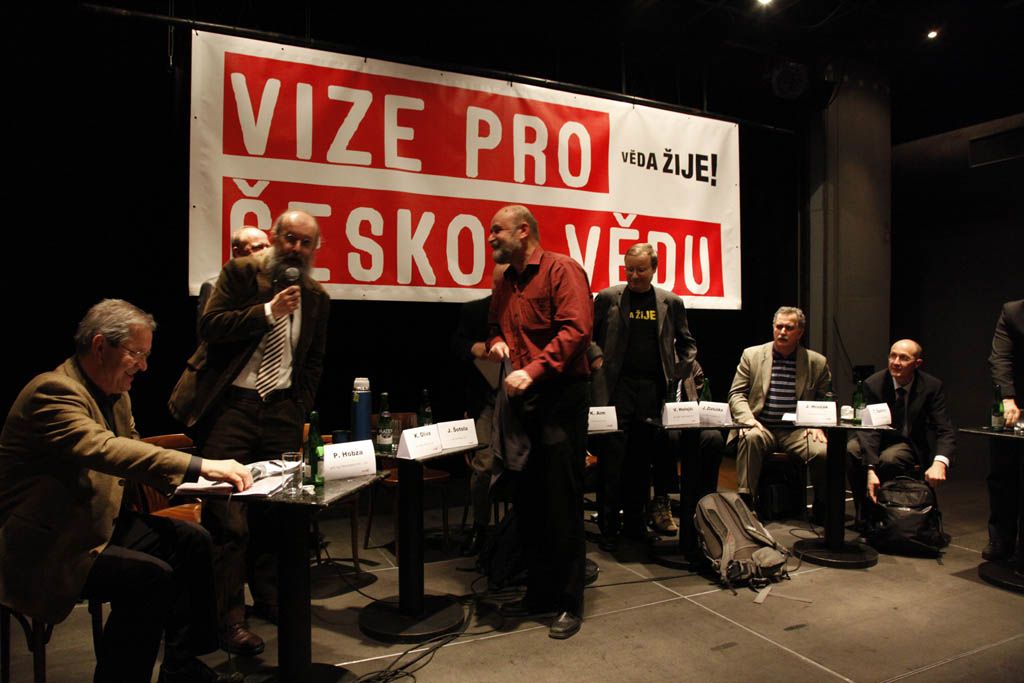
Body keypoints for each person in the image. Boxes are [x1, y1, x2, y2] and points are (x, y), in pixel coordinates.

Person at [0, 299, 253, 683]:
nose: (144, 366)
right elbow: (106, 450)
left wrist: (202, 485)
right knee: (150, 579)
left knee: (193, 541)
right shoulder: (52, 392)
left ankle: (181, 667)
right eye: (137, 354)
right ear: (101, 346)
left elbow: (135, 454)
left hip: (96, 524)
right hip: (49, 544)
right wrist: (201, 464)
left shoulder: (116, 394)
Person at [169, 209, 329, 655]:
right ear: (275, 238)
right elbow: (210, 326)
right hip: (233, 408)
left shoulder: (317, 296)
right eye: (289, 238)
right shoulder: (241, 274)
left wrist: (298, 407)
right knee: (228, 518)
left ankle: (270, 598)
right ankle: (229, 619)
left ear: (315, 249)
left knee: (275, 514)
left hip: (280, 410)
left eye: (306, 242)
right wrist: (268, 312)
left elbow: (313, 360)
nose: (296, 248)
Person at [486, 204, 592, 639]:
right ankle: (539, 592)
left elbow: (576, 330)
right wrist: (496, 342)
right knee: (528, 502)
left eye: (497, 230)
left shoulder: (561, 270)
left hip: (559, 397)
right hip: (521, 399)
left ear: (523, 231)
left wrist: (533, 370)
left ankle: (569, 602)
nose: (491, 238)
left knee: (562, 501)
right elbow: (494, 326)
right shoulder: (503, 281)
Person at [592, 243, 697, 542]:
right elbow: (588, 335)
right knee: (612, 459)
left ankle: (635, 526)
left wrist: (679, 370)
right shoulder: (608, 298)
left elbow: (687, 344)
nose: (634, 275)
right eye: (629, 270)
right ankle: (608, 527)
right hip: (615, 389)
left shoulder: (670, 302)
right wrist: (595, 359)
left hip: (651, 389)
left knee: (640, 459)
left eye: (641, 270)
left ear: (654, 269)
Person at [728, 306, 830, 512]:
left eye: (789, 328)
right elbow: (736, 394)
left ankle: (823, 505)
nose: (782, 332)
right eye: (779, 326)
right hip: (761, 426)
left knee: (822, 451)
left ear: (800, 333)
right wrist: (747, 419)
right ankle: (746, 502)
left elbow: (827, 398)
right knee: (749, 437)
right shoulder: (752, 355)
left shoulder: (816, 362)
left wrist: (818, 424)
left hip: (798, 431)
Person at [847, 340, 956, 509]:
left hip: (909, 442)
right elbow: (869, 429)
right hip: (878, 436)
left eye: (904, 358)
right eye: (893, 356)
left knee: (890, 458)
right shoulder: (874, 384)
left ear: (917, 363)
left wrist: (940, 462)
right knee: (852, 449)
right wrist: (870, 468)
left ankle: (890, 513)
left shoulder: (931, 386)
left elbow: (945, 429)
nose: (896, 362)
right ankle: (864, 513)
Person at [450, 293, 498, 556]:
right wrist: (473, 347)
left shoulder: (528, 307)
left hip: (521, 398)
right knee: (484, 464)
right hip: (487, 398)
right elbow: (456, 344)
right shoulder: (475, 310)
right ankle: (480, 526)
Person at [985, 299, 1024, 563]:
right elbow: (1000, 357)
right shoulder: (1014, 311)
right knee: (1003, 472)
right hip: (1015, 398)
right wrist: (1008, 398)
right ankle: (1001, 539)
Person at [196, 226, 271, 333]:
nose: (266, 252)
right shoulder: (213, 286)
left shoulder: (270, 283)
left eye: (268, 247)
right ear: (237, 252)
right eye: (258, 248)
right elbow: (207, 331)